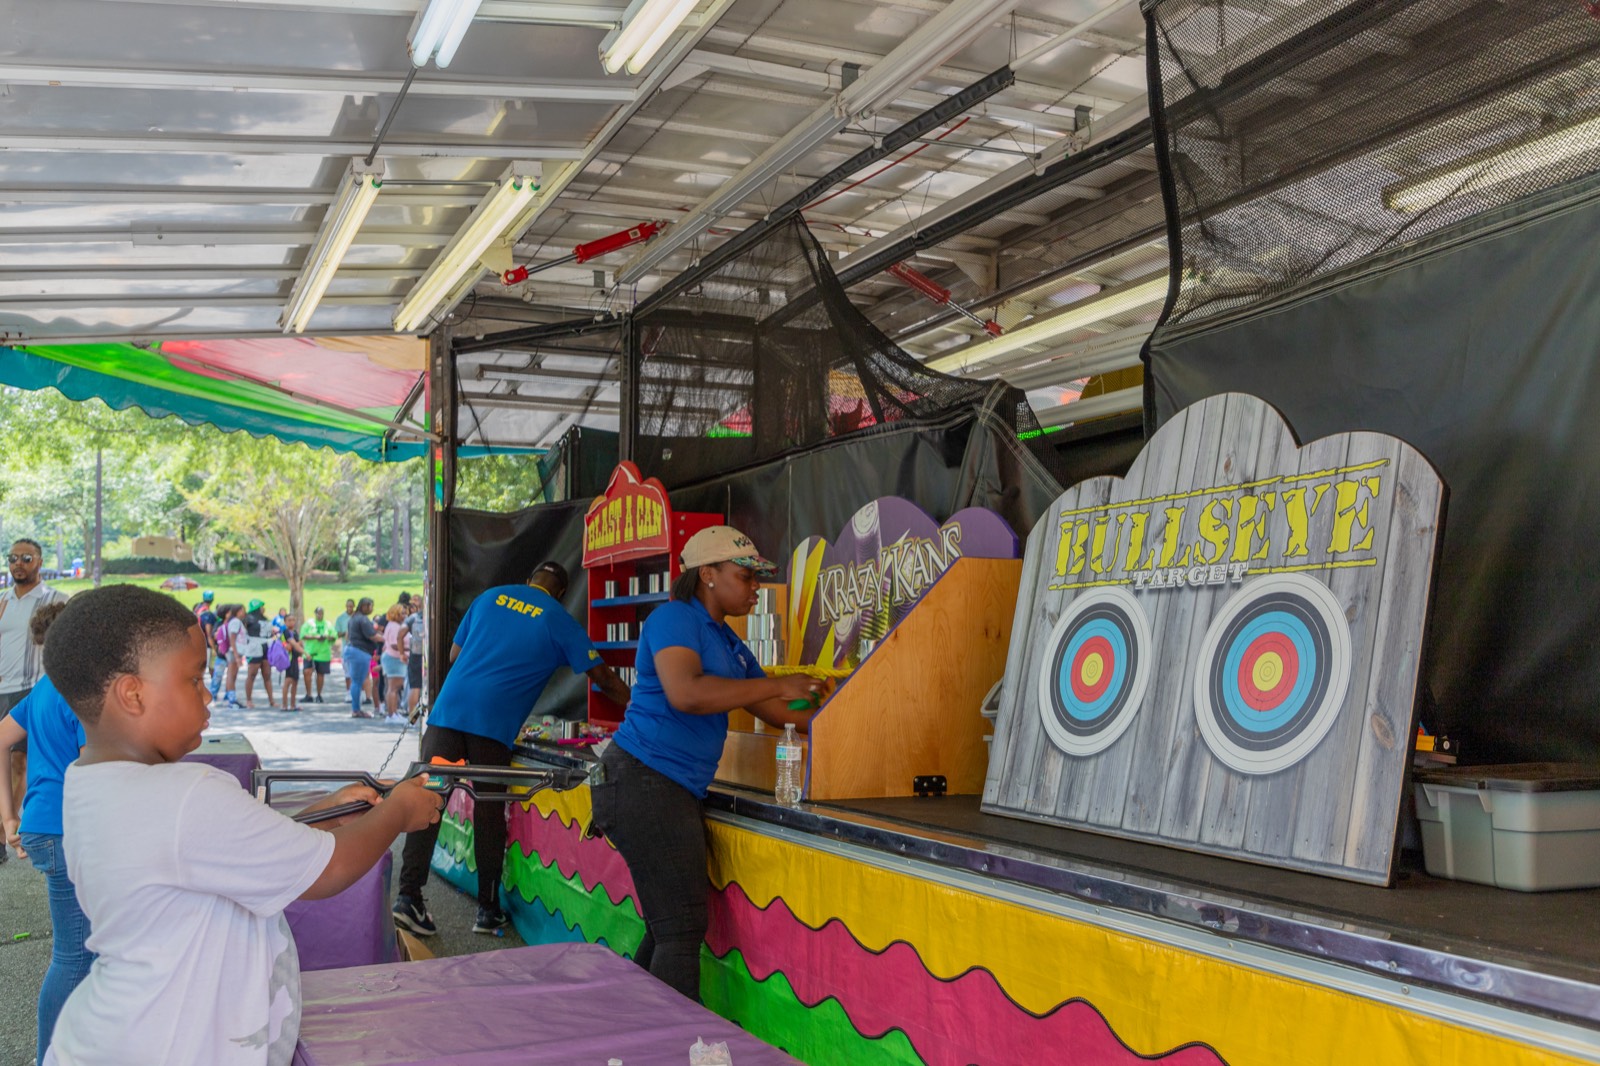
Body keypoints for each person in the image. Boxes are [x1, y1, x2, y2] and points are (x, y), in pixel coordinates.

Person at [39, 584, 444, 1066]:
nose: (209, 695)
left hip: (116, 1037)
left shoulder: (90, 781)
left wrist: (320, 811)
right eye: (194, 680)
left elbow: (201, 853)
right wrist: (396, 813)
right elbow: (327, 871)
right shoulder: (186, 796)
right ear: (132, 694)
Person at [590, 527, 818, 1001]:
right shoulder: (674, 618)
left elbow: (779, 713)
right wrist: (779, 685)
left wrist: (831, 706)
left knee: (668, 926)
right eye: (747, 576)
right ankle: (672, 1049)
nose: (756, 587)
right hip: (642, 778)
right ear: (707, 575)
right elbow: (687, 693)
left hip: (666, 787)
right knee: (680, 926)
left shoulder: (729, 644)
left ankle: (631, 1031)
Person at [393, 562, 630, 938]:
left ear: (528, 580)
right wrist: (642, 710)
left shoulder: (489, 598)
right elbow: (603, 679)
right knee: (489, 811)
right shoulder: (559, 619)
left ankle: (407, 898)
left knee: (428, 798)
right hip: (492, 728)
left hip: (448, 717)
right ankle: (488, 911)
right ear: (563, 593)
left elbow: (455, 655)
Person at [0, 602, 86, 1060]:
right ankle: (48, 1055)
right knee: (75, 955)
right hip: (65, 830)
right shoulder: (81, 693)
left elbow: (0, 738)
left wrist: (9, 815)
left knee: (81, 952)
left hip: (43, 825)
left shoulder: (46, 688)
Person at [0, 538, 69, 856]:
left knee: (19, 762)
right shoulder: (2, 601)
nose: (18, 563)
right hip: (2, 687)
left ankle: (6, 834)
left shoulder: (56, 600)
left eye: (26, 557)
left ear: (40, 562)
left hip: (35, 688)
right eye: (12, 557)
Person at [342, 598, 380, 719]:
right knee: (358, 682)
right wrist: (387, 639)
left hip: (352, 650)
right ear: (364, 606)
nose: (371, 609)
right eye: (370, 606)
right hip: (360, 652)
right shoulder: (363, 619)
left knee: (355, 682)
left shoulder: (353, 618)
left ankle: (356, 708)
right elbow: (372, 636)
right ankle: (356, 710)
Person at [241, 600, 276, 709]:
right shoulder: (248, 619)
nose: (264, 609)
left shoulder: (265, 619)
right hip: (254, 648)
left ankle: (271, 700)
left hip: (265, 647)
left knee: (267, 674)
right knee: (252, 674)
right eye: (262, 606)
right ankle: (248, 700)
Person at [300, 607, 336, 704]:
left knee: (320, 674)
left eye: (321, 613)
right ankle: (308, 694)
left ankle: (319, 694)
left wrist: (327, 637)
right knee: (307, 672)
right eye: (318, 613)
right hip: (310, 652)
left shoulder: (327, 624)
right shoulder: (309, 623)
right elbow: (303, 635)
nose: (320, 615)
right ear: (315, 613)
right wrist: (315, 637)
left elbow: (334, 636)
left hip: (323, 653)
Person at [380, 604, 408, 722]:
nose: (405, 615)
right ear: (395, 614)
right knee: (393, 688)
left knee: (393, 688)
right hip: (394, 659)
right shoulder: (395, 627)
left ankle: (393, 713)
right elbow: (394, 644)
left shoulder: (393, 625)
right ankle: (392, 715)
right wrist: (409, 649)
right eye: (402, 613)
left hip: (392, 658)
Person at [220, 604, 248, 709]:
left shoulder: (235, 622)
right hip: (234, 652)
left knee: (232, 675)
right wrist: (236, 656)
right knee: (231, 675)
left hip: (235, 651)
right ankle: (232, 699)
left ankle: (230, 697)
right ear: (238, 611)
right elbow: (232, 638)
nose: (244, 612)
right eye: (243, 610)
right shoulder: (235, 622)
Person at [404, 594, 427, 718]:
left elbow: (400, 634)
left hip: (416, 655)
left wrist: (402, 653)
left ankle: (411, 715)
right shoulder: (430, 617)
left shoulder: (413, 618)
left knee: (415, 686)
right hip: (427, 654)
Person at [279, 615, 305, 712]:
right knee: (288, 681)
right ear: (285, 622)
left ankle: (293, 704)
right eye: (289, 620)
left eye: (293, 620)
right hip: (288, 659)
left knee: (295, 681)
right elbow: (292, 646)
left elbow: (295, 645)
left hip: (295, 659)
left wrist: (297, 645)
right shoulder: (286, 632)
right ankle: (284, 704)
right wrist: (300, 647)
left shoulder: (294, 632)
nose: (292, 622)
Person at [335, 599, 356, 698]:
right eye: (348, 606)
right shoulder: (341, 618)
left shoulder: (357, 617)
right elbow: (337, 633)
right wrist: (346, 633)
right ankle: (348, 692)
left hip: (357, 648)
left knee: (357, 672)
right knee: (348, 673)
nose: (350, 608)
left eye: (351, 606)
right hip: (346, 647)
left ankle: (358, 692)